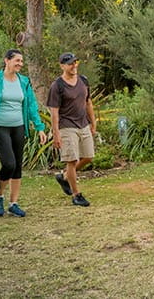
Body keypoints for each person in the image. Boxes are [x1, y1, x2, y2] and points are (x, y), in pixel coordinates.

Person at [0, 49, 47, 217]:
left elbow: (31, 106)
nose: (20, 64)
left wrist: (39, 127)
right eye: (17, 60)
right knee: (9, 164)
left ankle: (13, 203)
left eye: (22, 61)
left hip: (18, 126)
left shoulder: (24, 81)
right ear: (6, 60)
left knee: (17, 167)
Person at [47, 52, 96, 207]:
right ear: (62, 66)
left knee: (88, 157)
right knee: (72, 160)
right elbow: (54, 112)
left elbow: (88, 103)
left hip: (83, 124)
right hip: (66, 126)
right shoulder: (57, 86)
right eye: (69, 63)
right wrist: (56, 134)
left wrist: (93, 123)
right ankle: (76, 195)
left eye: (75, 62)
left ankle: (64, 177)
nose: (73, 66)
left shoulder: (83, 81)